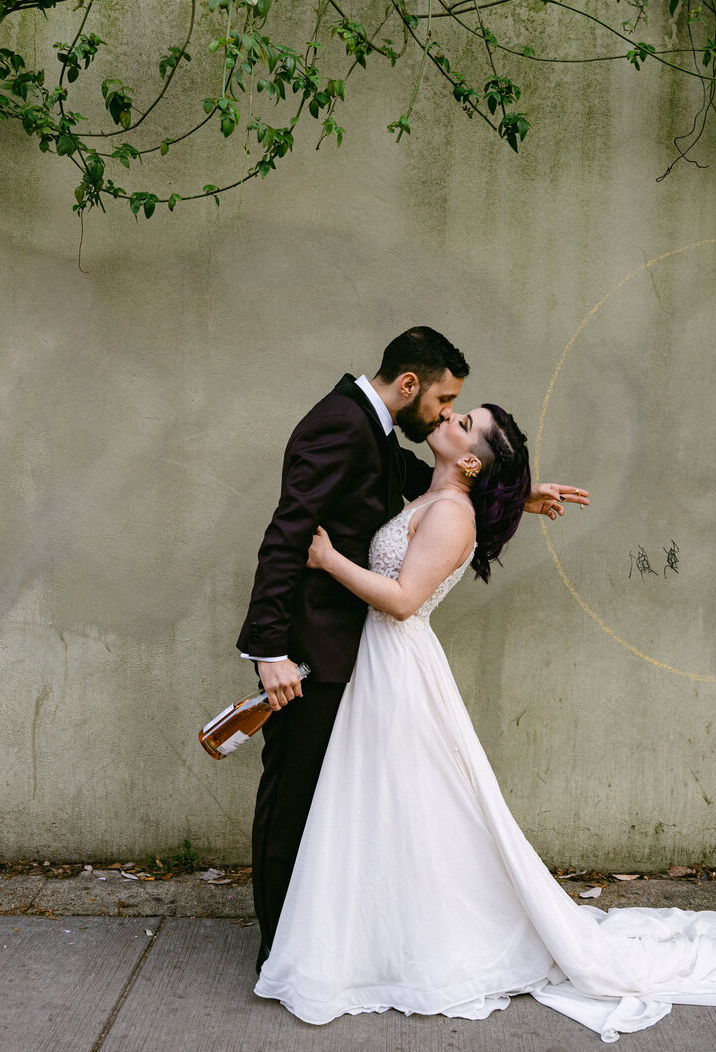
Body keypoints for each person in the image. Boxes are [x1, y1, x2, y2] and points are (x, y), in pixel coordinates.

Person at [253, 403, 716, 1042]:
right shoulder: (436, 495)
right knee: (395, 810)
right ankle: (380, 937)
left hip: (399, 664)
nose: (447, 419)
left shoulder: (451, 513)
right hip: (386, 670)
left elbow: (404, 599)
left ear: (469, 459)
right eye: (456, 411)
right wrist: (518, 492)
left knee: (416, 806)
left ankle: (412, 944)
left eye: (462, 422)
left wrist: (327, 558)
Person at [237, 327, 588, 972]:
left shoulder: (371, 427)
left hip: (368, 657)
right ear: (409, 387)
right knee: (294, 796)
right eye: (446, 400)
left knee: (343, 801)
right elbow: (286, 534)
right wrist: (266, 650)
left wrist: (510, 490)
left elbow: (416, 481)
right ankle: (280, 945)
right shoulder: (344, 425)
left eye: (460, 413)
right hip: (310, 651)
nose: (447, 412)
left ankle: (316, 941)